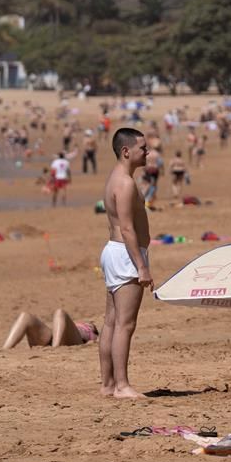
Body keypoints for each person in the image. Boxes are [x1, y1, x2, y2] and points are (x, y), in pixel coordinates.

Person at [100, 127, 152, 399]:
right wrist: (142, 267)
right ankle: (121, 385)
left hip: (115, 251)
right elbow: (129, 228)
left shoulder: (116, 178)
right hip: (125, 253)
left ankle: (108, 384)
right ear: (126, 151)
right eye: (143, 147)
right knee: (125, 324)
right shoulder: (126, 183)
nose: (147, 152)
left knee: (111, 322)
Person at [1, 310, 97, 349]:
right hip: (53, 339)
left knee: (60, 312)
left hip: (72, 342)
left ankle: (55, 350)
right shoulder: (70, 324)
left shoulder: (93, 333)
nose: (89, 323)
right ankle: (4, 349)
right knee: (26, 316)